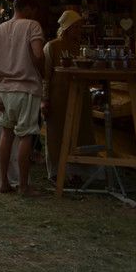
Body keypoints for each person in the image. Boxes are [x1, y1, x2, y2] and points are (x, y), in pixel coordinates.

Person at [0, 0, 45, 196]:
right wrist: (42, 70)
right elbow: (38, 55)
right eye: (34, 10)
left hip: (4, 90)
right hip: (26, 88)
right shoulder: (32, 26)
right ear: (27, 8)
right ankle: (23, 185)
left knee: (7, 133)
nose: (35, 14)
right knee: (26, 136)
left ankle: (3, 181)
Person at [42, 9, 92, 182]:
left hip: (79, 96)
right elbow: (46, 75)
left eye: (80, 27)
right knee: (57, 134)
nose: (79, 30)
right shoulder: (52, 46)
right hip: (59, 97)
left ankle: (77, 171)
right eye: (75, 27)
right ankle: (56, 171)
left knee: (79, 134)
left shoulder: (80, 47)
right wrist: (45, 99)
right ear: (67, 28)